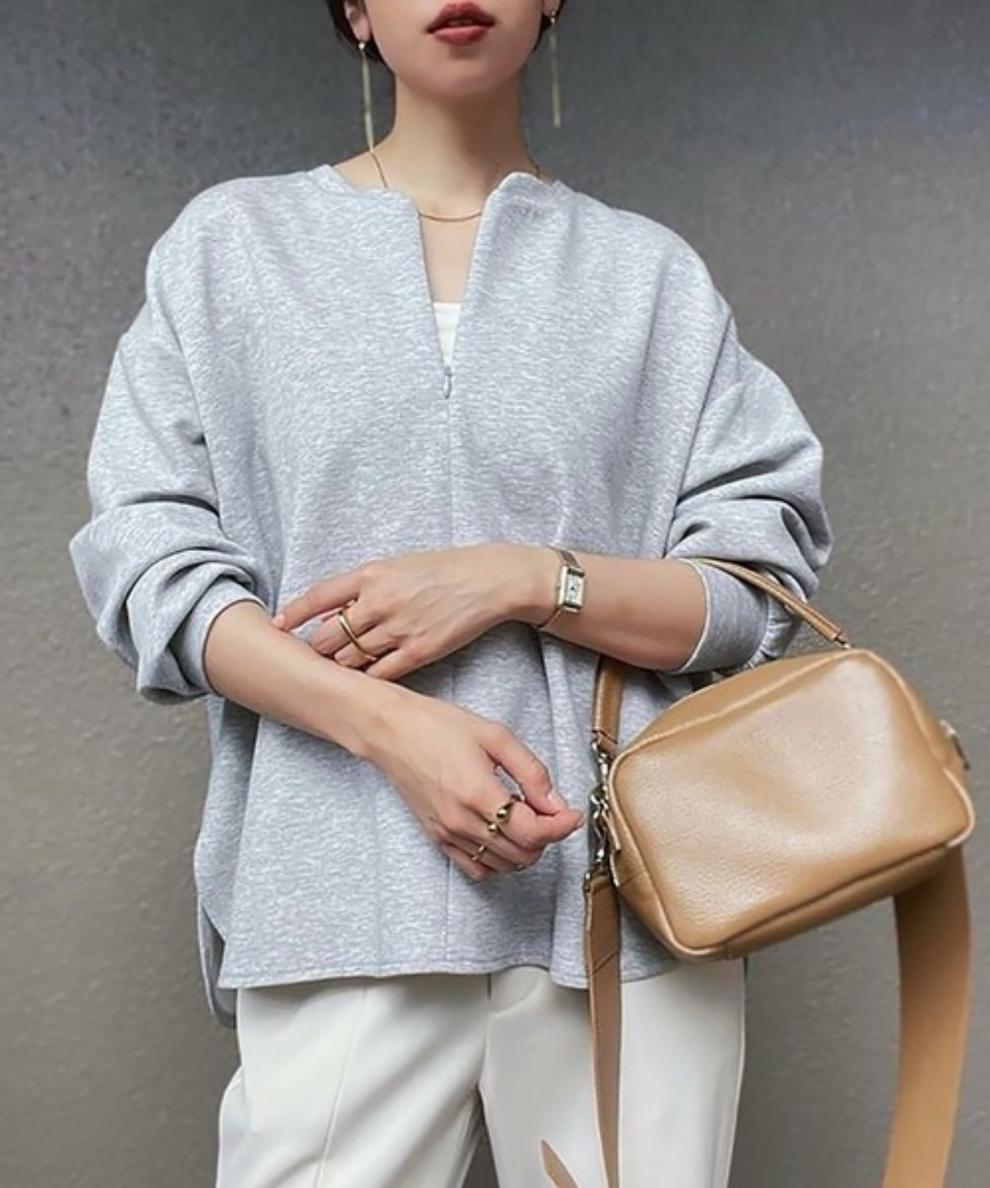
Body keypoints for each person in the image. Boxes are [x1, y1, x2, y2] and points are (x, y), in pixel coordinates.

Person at [67, 1, 835, 1185]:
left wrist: (523, 577)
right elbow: (146, 560)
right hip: (338, 894)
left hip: (622, 903)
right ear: (355, 8)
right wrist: (389, 728)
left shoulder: (648, 278)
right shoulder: (233, 249)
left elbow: (755, 593)